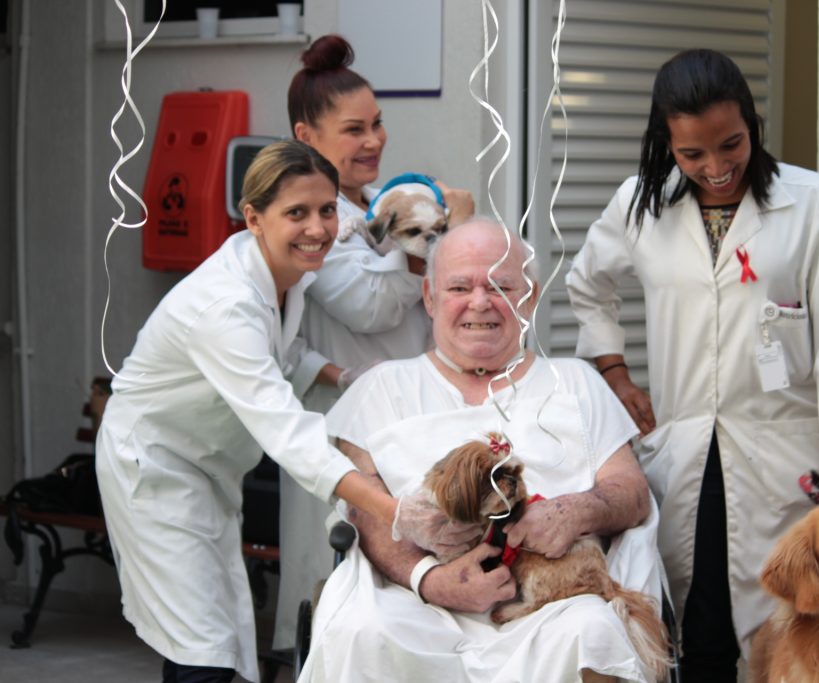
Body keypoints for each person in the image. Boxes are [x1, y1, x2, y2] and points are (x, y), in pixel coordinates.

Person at [565, 49, 819, 680]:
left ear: (752, 124)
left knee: (792, 624)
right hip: (686, 450)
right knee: (699, 622)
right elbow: (588, 286)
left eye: (731, 144)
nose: (716, 167)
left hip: (784, 449)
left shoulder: (811, 202)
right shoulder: (639, 204)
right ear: (667, 145)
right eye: (692, 154)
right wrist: (615, 373)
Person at [299, 220, 664, 683]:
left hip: (554, 603)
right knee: (358, 631)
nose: (479, 302)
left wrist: (575, 511)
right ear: (429, 297)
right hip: (412, 601)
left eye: (500, 286)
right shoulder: (381, 388)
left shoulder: (577, 382)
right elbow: (364, 510)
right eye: (459, 287)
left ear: (529, 297)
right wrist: (429, 579)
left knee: (594, 633)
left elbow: (631, 491)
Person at [96, 141, 399, 683]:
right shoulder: (225, 305)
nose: (317, 228)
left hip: (206, 466)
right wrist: (393, 510)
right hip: (154, 465)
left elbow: (282, 350)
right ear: (254, 217)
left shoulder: (284, 276)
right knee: (201, 641)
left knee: (211, 627)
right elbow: (285, 429)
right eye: (297, 213)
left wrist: (341, 376)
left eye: (326, 210)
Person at [272, 33, 477, 649]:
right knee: (339, 581)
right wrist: (441, 239)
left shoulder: (381, 207)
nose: (373, 141)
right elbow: (367, 304)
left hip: (407, 416)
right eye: (354, 130)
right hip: (342, 426)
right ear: (306, 136)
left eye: (378, 124)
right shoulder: (313, 219)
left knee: (408, 582)